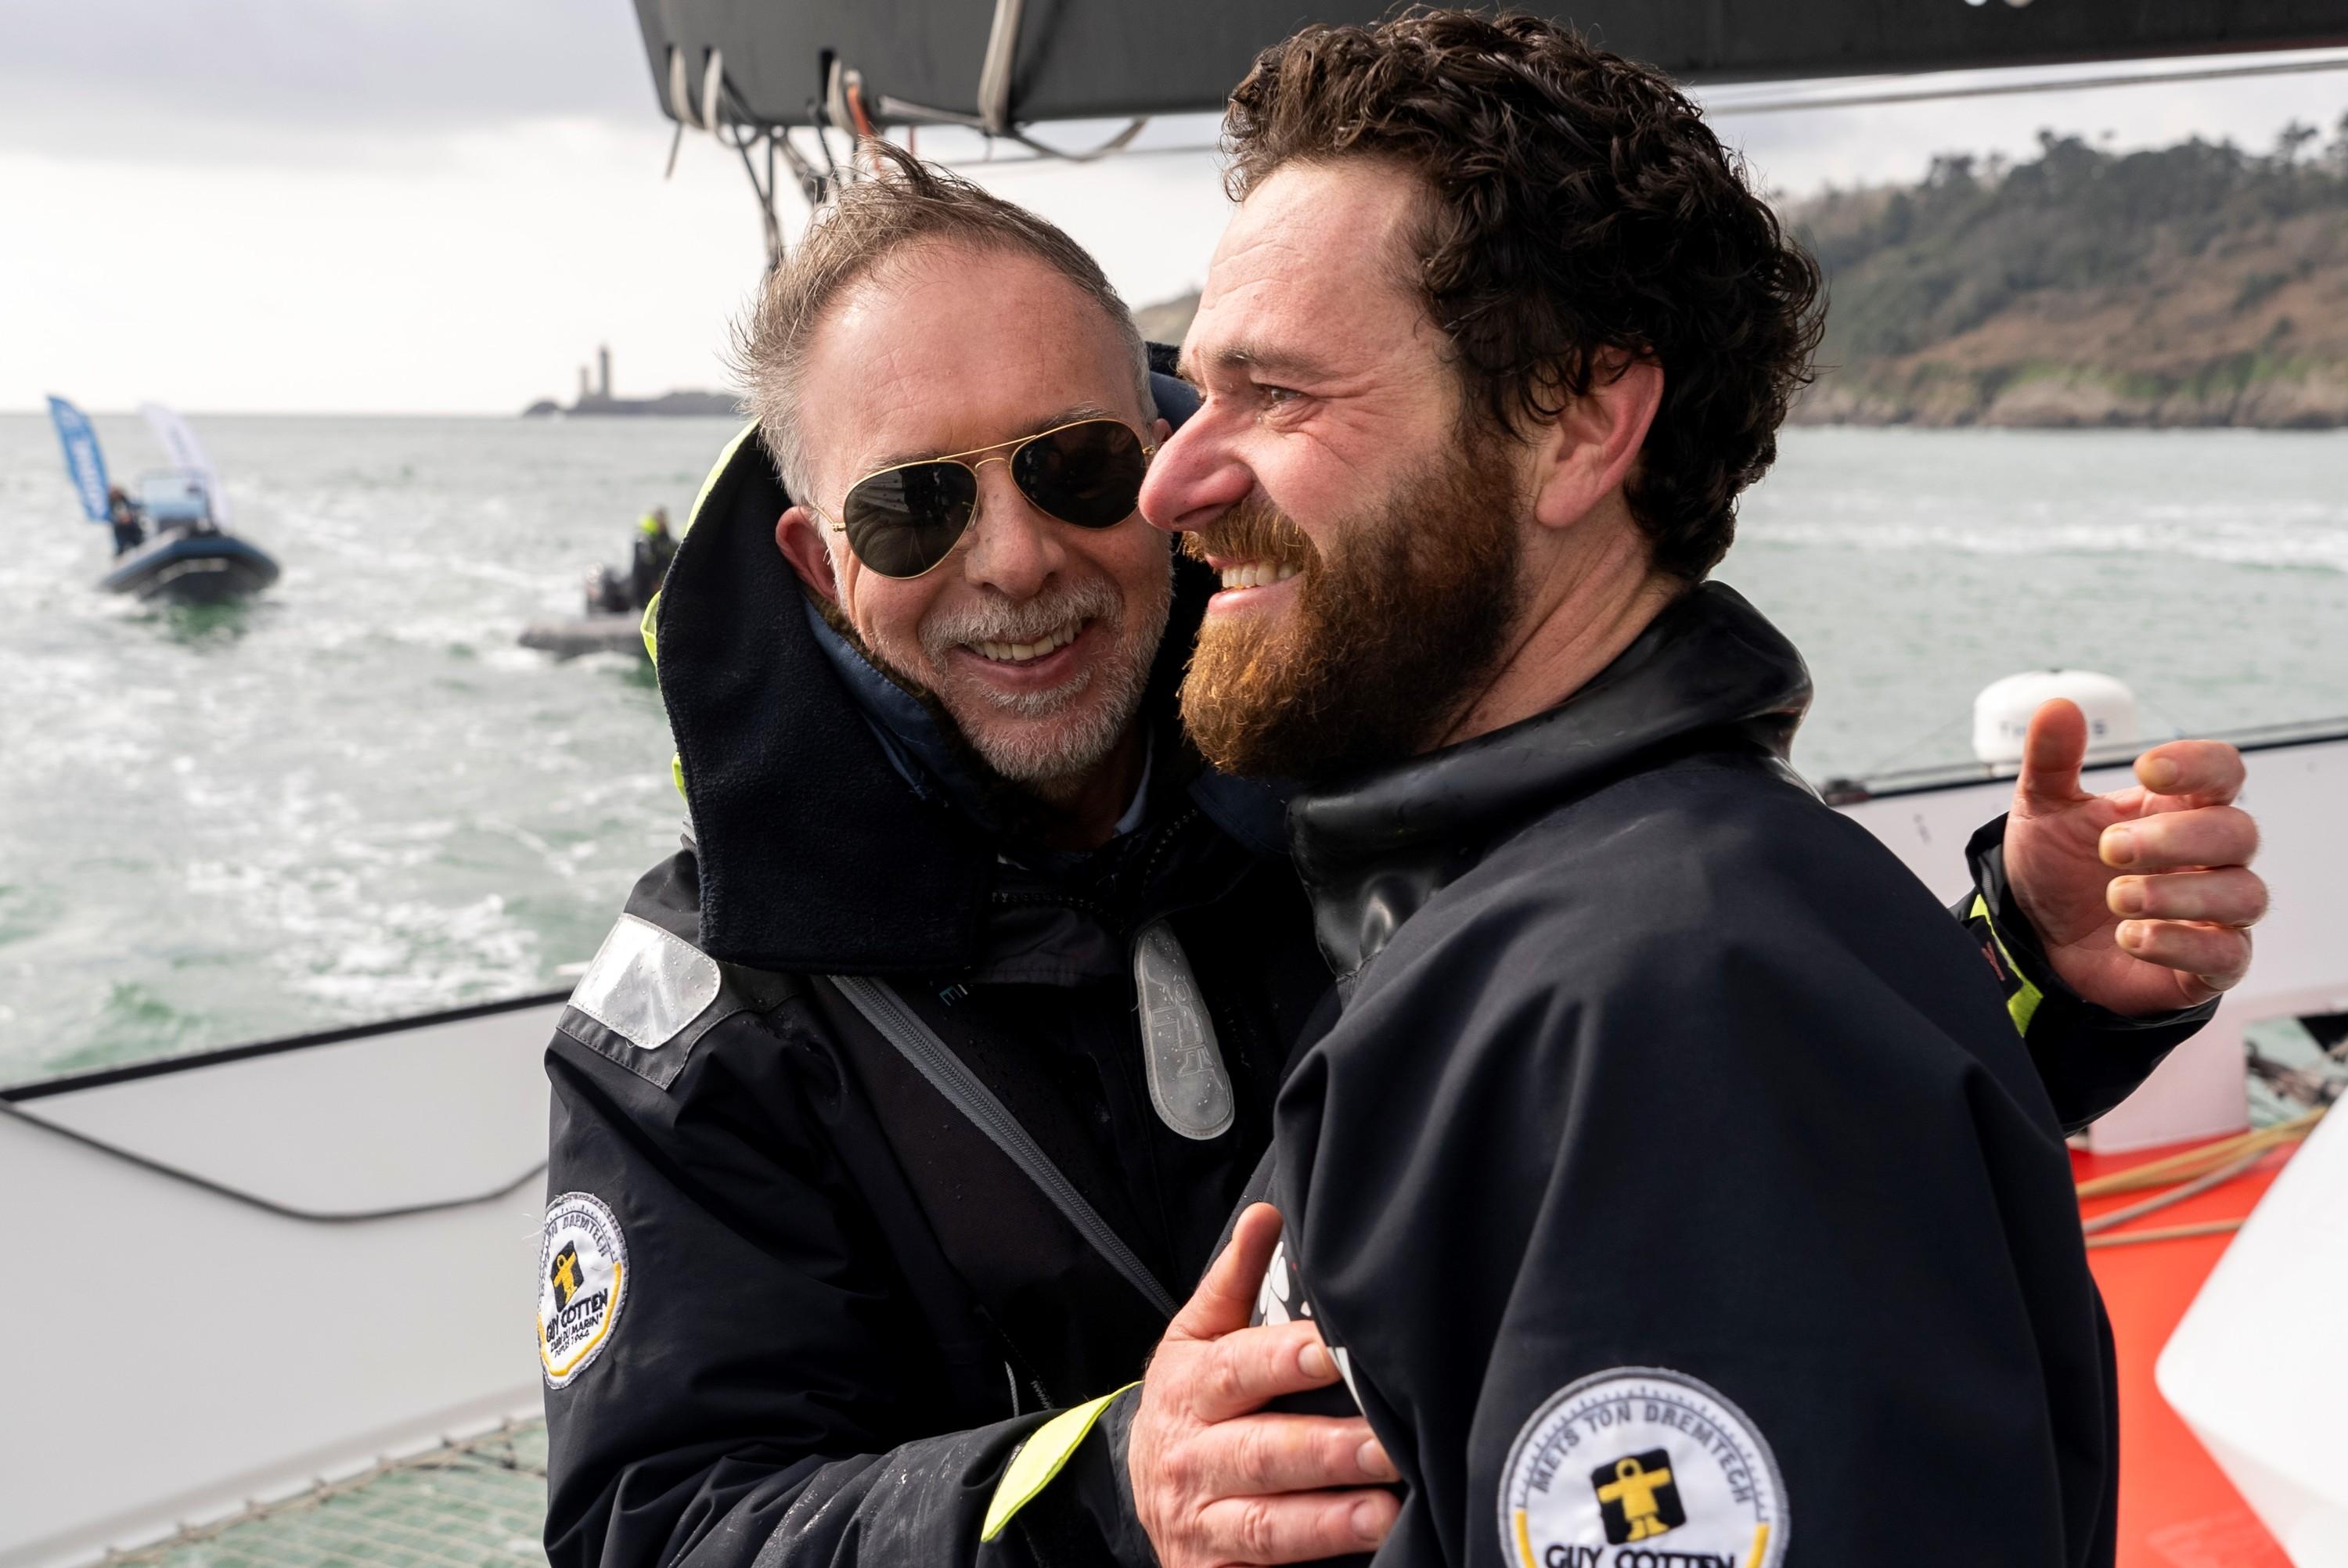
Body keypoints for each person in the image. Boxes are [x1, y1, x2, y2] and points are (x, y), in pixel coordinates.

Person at [537, 148, 2261, 1568]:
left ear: (1166, 461)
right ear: (821, 563)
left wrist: (2021, 973)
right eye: (913, 507)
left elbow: (1707, 1101)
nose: (1014, 562)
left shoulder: (1406, 731)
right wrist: (1098, 1494)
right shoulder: (713, 1020)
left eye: (1075, 470)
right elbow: (654, 1522)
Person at [1106, 15, 2270, 1568]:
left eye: (1279, 396)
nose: (1171, 482)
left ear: (1583, 426)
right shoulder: (1553, 930)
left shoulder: (1663, 997)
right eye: (1198, 392)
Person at [630, 506, 678, 608]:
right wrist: (654, 581)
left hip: (661, 580)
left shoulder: (665, 538)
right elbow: (646, 562)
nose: (663, 522)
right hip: (645, 583)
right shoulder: (644, 539)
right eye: (660, 519)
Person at [106, 484, 146, 556]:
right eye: (113, 494)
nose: (116, 495)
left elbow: (138, 507)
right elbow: (109, 518)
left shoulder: (127, 502)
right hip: (121, 533)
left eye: (117, 492)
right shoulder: (110, 507)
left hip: (133, 529)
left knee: (141, 545)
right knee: (121, 551)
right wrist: (120, 520)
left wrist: (132, 515)